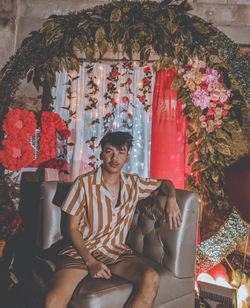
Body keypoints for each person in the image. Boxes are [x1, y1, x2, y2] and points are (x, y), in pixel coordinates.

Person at [45, 131, 182, 308]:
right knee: (53, 300)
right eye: (109, 151)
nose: (114, 158)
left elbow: (165, 183)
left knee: (151, 277)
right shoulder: (83, 184)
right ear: (101, 154)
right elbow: (72, 228)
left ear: (128, 157)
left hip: (114, 252)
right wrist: (90, 261)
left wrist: (171, 199)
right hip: (81, 252)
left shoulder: (134, 184)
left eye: (121, 152)